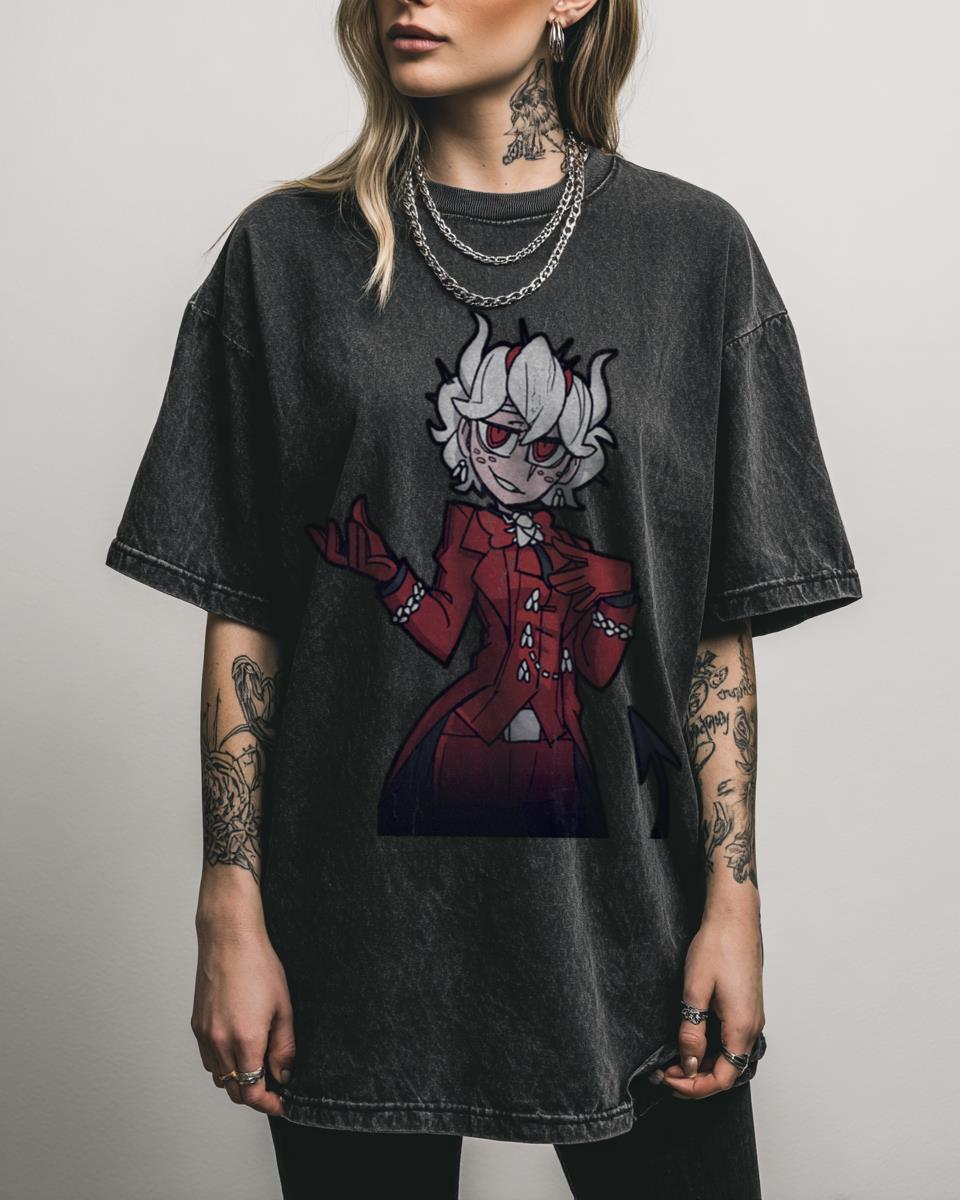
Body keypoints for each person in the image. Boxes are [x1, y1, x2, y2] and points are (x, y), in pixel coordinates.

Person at [104, 1, 863, 1196]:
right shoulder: (284, 256)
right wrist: (229, 905)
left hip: (631, 922)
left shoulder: (696, 254)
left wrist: (735, 902)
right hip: (355, 928)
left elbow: (713, 637)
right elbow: (246, 611)